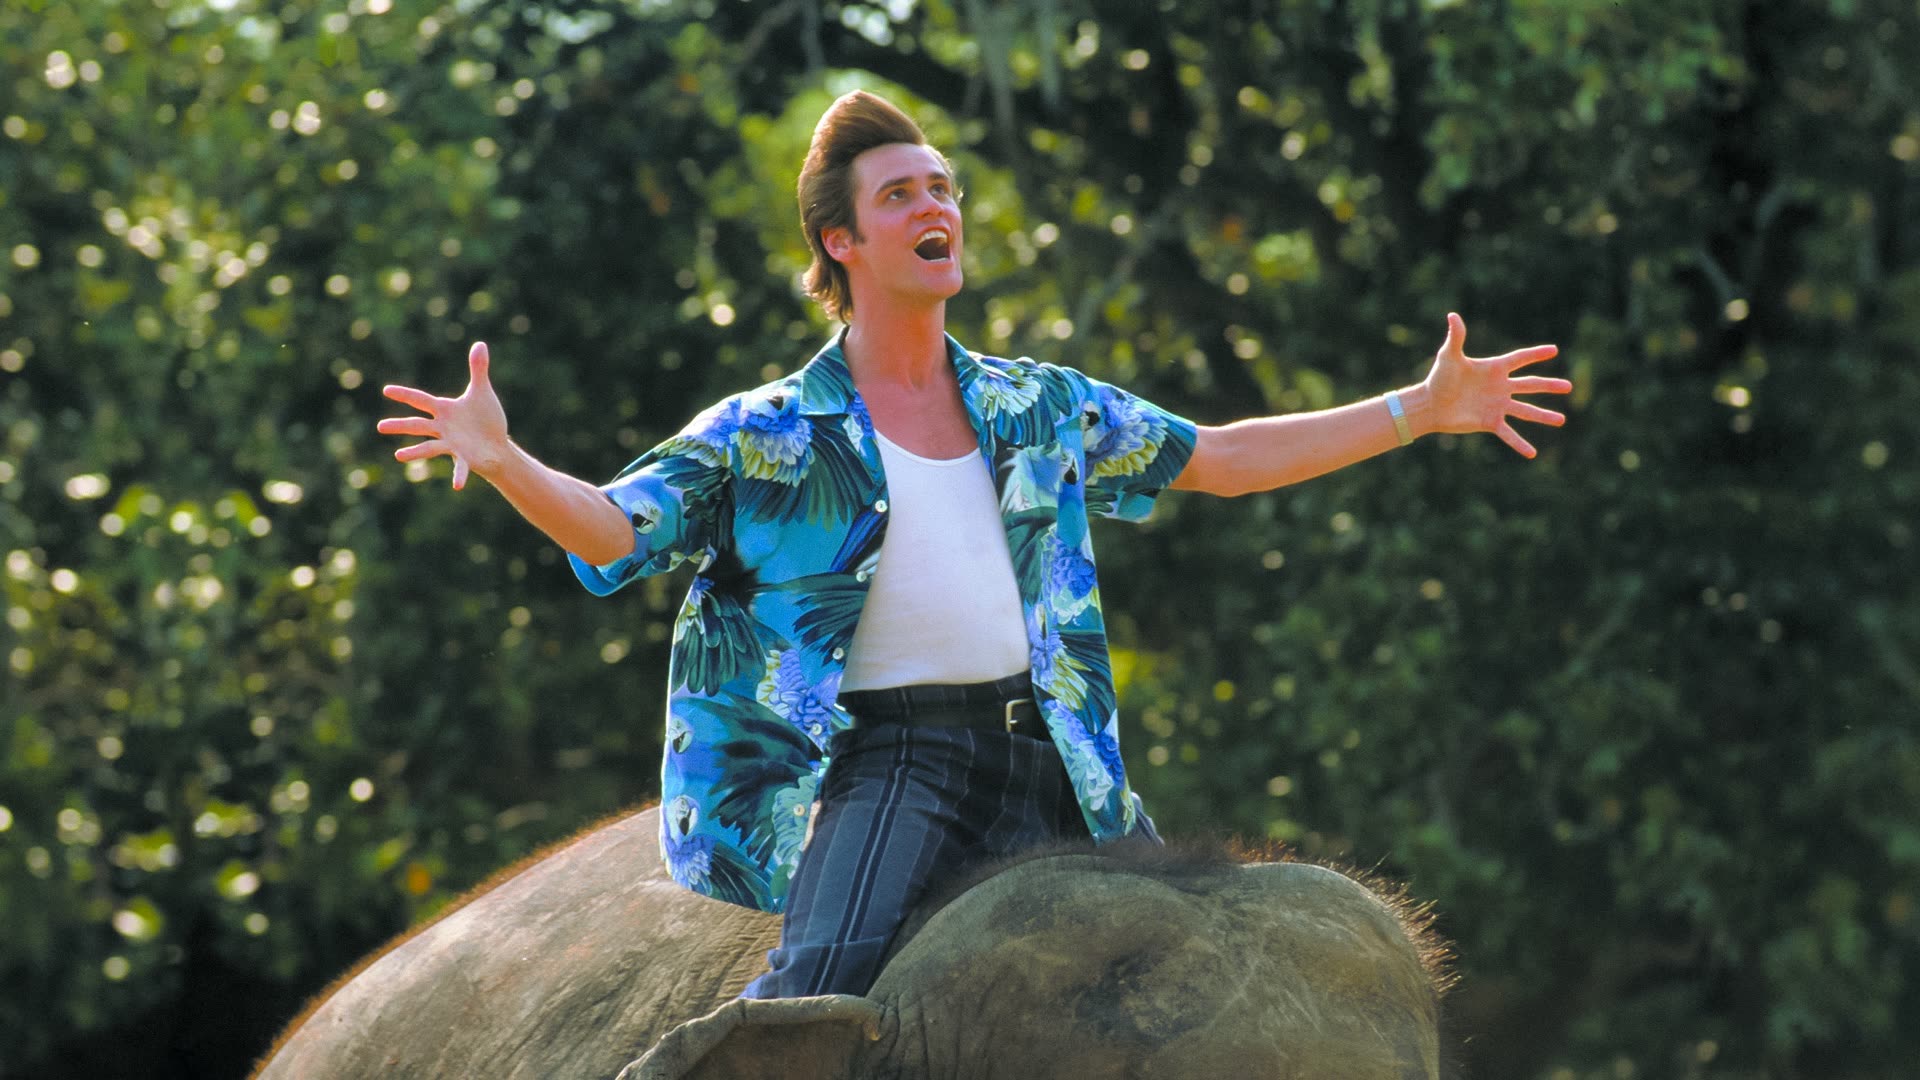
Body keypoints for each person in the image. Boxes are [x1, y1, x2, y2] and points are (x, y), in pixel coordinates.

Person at [376, 90, 1570, 1000]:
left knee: (1211, 989)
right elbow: (613, 530)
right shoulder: (769, 434)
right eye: (901, 195)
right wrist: (505, 459)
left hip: (1057, 760)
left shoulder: (1035, 404)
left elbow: (1219, 456)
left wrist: (1419, 410)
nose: (936, 208)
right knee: (811, 1004)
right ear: (840, 242)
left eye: (942, 188)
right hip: (898, 762)